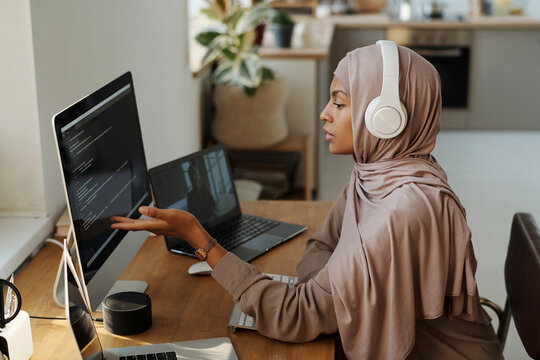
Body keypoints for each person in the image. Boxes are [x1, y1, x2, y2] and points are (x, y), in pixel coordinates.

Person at [111, 42, 503, 359]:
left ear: (386, 117)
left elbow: (293, 316)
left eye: (339, 103)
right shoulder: (379, 172)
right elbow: (322, 245)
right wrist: (334, 293)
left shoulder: (401, 211)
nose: (323, 114)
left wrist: (201, 240)